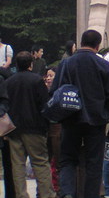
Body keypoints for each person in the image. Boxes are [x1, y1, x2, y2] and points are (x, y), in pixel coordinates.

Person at [51, 29, 109, 198]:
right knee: (94, 162)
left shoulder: (66, 63)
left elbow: (55, 91)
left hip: (70, 118)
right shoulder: (103, 64)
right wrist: (106, 114)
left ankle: (67, 193)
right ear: (98, 45)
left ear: (80, 43)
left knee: (67, 159)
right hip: (96, 119)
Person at [6, 50, 55, 198]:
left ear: (17, 64)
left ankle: (21, 195)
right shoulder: (37, 80)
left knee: (18, 165)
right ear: (31, 64)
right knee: (40, 162)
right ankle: (47, 194)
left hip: (14, 129)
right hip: (35, 127)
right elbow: (45, 104)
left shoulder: (9, 82)